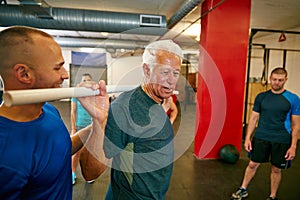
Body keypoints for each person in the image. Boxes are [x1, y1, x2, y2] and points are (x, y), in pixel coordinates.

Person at [0, 26, 109, 199]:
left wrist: (98, 121)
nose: (66, 75)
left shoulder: (48, 110)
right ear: (24, 73)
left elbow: (59, 150)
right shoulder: (5, 154)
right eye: (58, 68)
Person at [102, 40, 183, 200]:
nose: (172, 80)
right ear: (146, 70)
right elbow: (93, 169)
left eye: (176, 73)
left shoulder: (159, 101)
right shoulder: (124, 107)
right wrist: (97, 122)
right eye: (165, 72)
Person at [231, 67, 300, 200]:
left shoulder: (293, 99)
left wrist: (293, 146)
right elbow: (253, 118)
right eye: (274, 79)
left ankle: (272, 196)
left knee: (276, 169)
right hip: (261, 136)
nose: (276, 83)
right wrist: (247, 138)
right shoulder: (262, 97)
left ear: (285, 80)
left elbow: (296, 125)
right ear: (270, 79)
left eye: (280, 80)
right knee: (252, 164)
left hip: (281, 139)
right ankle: (243, 189)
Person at [70, 73, 97, 185]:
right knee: (76, 153)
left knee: (90, 152)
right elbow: (73, 111)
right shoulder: (77, 95)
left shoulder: (93, 95)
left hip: (91, 126)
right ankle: (72, 173)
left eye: (88, 80)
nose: (86, 82)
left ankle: (89, 175)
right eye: (84, 80)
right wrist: (73, 128)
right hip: (80, 126)